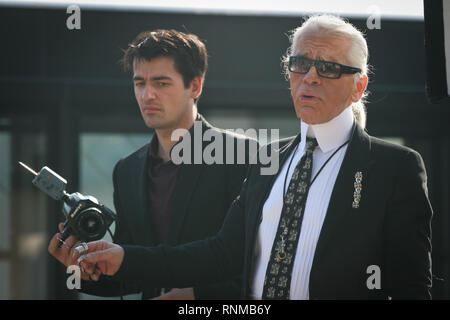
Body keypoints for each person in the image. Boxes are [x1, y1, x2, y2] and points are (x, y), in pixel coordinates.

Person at [74, 15, 433, 299]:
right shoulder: (268, 159)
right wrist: (123, 258)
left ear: (359, 86)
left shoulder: (393, 168)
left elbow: (411, 288)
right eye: (300, 64)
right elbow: (220, 254)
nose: (309, 77)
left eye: (328, 67)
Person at [48, 29, 256, 299]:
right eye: (139, 83)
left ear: (195, 86)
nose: (147, 95)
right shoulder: (127, 170)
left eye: (161, 83)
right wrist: (85, 269)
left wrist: (195, 296)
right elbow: (131, 273)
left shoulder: (242, 155)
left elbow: (257, 263)